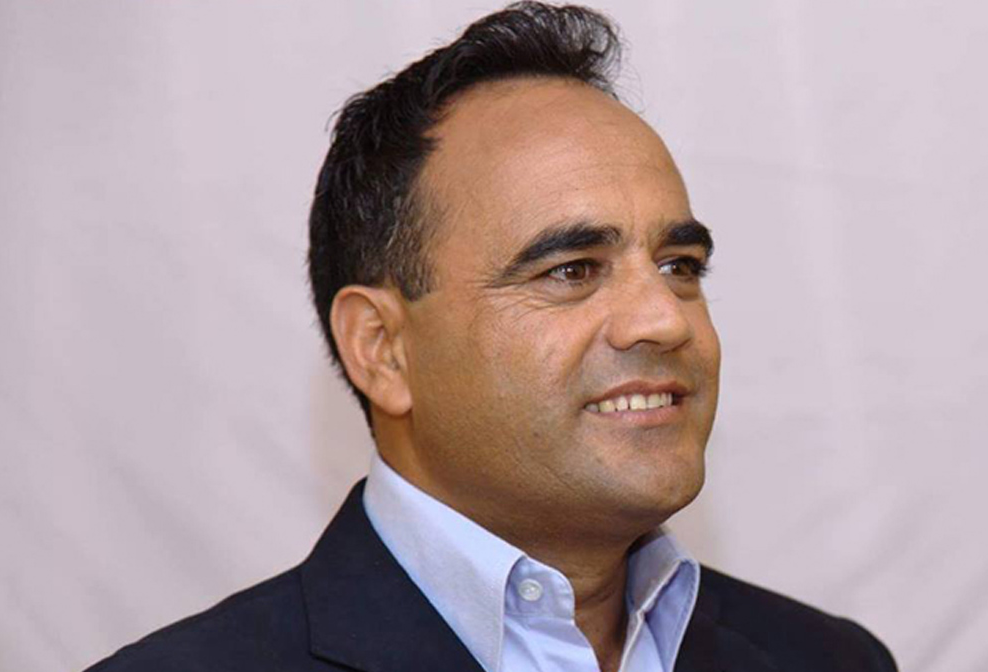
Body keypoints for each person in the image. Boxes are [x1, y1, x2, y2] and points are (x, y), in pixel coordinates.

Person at [88, 3, 897, 671]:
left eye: (679, 265)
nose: (665, 319)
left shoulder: (830, 659)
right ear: (382, 347)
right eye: (572, 270)